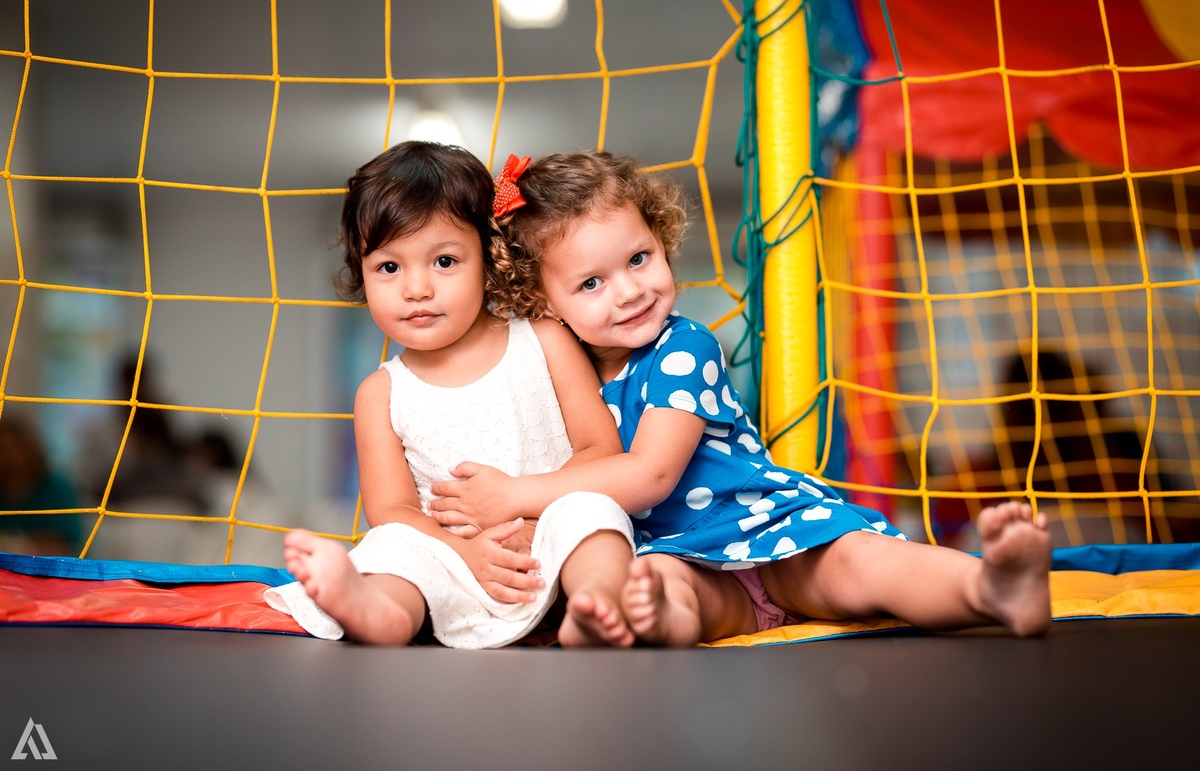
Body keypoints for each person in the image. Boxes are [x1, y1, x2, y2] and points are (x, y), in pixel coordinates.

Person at [429, 150, 1053, 645]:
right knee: (662, 591)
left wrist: (510, 495)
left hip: (773, 534)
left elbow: (648, 475)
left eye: (639, 258)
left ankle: (990, 585)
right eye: (591, 282)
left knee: (868, 565)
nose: (629, 291)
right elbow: (572, 483)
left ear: (663, 242)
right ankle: (625, 621)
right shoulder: (560, 380)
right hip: (679, 558)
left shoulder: (683, 347)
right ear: (542, 303)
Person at [264, 142, 637, 649]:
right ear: (361, 273)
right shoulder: (380, 392)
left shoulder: (545, 339)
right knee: (391, 544)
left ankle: (599, 602)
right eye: (389, 268)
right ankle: (381, 611)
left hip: (547, 547)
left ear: (487, 257)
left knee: (594, 513)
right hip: (452, 564)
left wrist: (534, 519)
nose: (416, 288)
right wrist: (466, 555)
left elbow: (601, 452)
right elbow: (392, 510)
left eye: (443, 260)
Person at [0, 414, 86, 556]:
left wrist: (18, 544)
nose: (6, 458)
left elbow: (67, 547)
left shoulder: (56, 489)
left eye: (11, 449)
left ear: (28, 450)